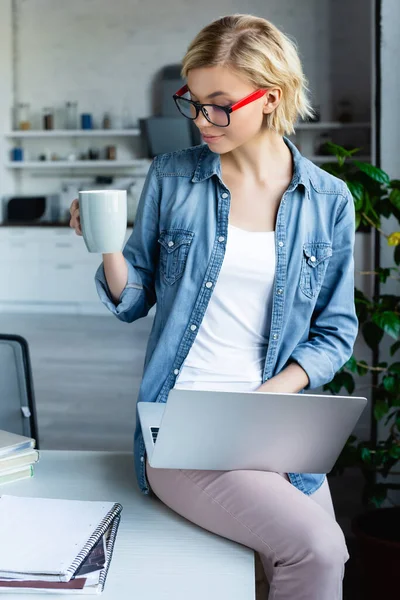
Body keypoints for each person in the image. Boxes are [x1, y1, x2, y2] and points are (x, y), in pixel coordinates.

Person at [70, 14, 358, 599]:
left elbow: (335, 331)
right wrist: (106, 248)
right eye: (193, 102)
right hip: (183, 426)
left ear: (270, 97)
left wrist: (263, 401)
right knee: (319, 550)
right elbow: (133, 300)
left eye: (219, 104)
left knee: (311, 560)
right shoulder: (173, 178)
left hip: (272, 424)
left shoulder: (328, 201)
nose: (201, 120)